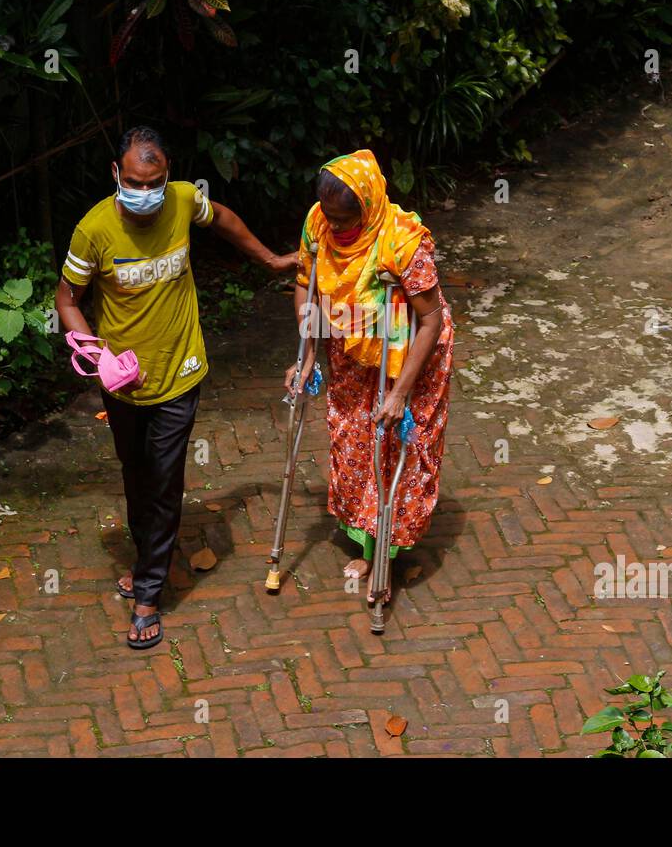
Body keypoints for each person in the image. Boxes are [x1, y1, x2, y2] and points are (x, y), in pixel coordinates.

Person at [56, 126, 296, 648]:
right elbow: (67, 301)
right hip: (122, 383)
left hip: (181, 371)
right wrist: (97, 355)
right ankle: (148, 562)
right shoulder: (92, 231)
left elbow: (224, 218)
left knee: (165, 480)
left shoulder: (185, 199)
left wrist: (272, 260)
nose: (148, 192)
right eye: (137, 181)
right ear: (116, 174)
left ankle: (147, 595)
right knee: (136, 474)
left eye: (157, 181)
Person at [286, 150, 453, 603]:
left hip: (409, 352)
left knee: (398, 446)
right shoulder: (318, 226)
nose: (335, 227)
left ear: (370, 206)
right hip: (352, 345)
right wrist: (306, 356)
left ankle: (388, 556)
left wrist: (400, 392)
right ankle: (366, 542)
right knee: (354, 441)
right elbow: (306, 280)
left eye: (345, 220)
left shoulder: (403, 242)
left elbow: (431, 320)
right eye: (330, 216)